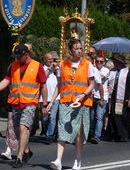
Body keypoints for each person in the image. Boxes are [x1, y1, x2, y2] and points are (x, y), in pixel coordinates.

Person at [0, 43, 47, 168]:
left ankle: (19, 158)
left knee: (23, 127)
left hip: (30, 102)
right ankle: (26, 151)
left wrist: (45, 104)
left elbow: (43, 85)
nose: (17, 58)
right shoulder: (13, 66)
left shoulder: (37, 66)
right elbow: (6, 80)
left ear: (26, 55)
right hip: (16, 103)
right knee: (16, 130)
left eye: (19, 56)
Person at [47, 38, 95, 170]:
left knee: (79, 133)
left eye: (80, 48)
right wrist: (51, 101)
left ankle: (77, 161)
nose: (79, 51)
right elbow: (59, 85)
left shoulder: (87, 64)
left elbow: (92, 84)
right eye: (76, 48)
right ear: (70, 50)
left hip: (82, 102)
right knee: (62, 129)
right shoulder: (63, 64)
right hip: (66, 101)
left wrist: (83, 94)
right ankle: (58, 160)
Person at [108, 54, 130, 142]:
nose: (114, 63)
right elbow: (108, 82)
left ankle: (123, 134)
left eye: (115, 61)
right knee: (113, 115)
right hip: (113, 96)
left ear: (120, 63)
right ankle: (114, 133)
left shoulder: (128, 71)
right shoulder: (112, 71)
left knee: (122, 116)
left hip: (123, 97)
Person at [40, 51, 60, 144]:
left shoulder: (56, 69)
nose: (51, 61)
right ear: (45, 60)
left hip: (55, 97)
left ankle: (49, 135)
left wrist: (56, 69)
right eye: (49, 60)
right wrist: (50, 68)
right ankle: (48, 132)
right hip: (44, 98)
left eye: (52, 59)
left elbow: (61, 77)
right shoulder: (42, 68)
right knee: (45, 118)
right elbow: (43, 77)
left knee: (52, 117)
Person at [89, 56, 110, 144]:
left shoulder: (106, 70)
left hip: (102, 97)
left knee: (99, 117)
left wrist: (92, 73)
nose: (98, 63)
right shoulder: (93, 69)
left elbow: (99, 78)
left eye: (101, 62)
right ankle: (92, 133)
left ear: (104, 63)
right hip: (93, 96)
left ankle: (97, 136)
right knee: (92, 116)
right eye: (97, 61)